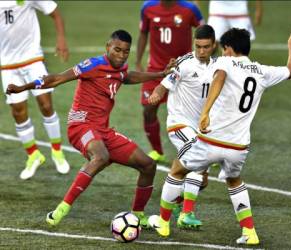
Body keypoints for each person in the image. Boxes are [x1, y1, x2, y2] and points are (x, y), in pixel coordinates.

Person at [6, 30, 175, 228]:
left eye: (125, 52)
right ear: (107, 47)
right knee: (101, 156)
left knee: (148, 165)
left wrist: (160, 74)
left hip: (103, 130)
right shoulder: (93, 65)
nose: (121, 55)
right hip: (81, 125)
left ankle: (138, 215)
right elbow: (56, 79)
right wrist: (22, 88)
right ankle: (62, 208)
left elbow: (127, 76)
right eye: (117, 50)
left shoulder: (121, 68)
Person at [148, 28, 291, 245]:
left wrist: (205, 112)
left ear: (227, 48)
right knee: (235, 181)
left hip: (211, 140)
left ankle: (162, 223)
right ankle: (250, 232)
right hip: (238, 147)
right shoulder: (261, 71)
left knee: (177, 169)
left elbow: (219, 77)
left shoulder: (225, 63)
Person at [148, 24, 217, 229]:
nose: (201, 51)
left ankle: (177, 204)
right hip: (179, 123)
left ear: (214, 45)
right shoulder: (185, 63)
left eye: (206, 47)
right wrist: (156, 94)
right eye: (198, 47)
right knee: (196, 153)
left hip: (200, 127)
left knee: (201, 180)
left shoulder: (220, 66)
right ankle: (184, 214)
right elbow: (165, 84)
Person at [0, 1, 70, 180]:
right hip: (8, 65)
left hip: (32, 60)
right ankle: (33, 155)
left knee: (46, 105)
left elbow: (55, 13)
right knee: (18, 111)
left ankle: (57, 151)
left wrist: (61, 40)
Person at [136, 0, 205, 163]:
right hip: (155, 70)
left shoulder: (190, 9)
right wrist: (138, 61)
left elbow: (205, 34)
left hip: (184, 70)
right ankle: (157, 151)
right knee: (148, 110)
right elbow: (143, 33)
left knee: (196, 113)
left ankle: (207, 149)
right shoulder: (148, 8)